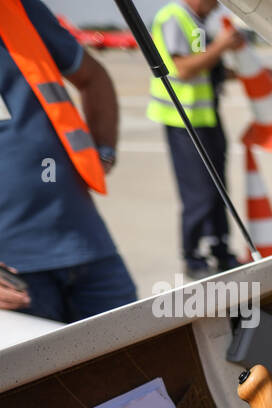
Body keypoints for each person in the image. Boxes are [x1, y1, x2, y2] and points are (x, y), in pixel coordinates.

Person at [0, 0, 135, 323]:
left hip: (85, 243)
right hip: (13, 274)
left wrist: (104, 153)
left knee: (139, 366)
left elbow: (93, 77)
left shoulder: (17, 9)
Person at [148, 1, 245, 279]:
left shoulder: (197, 22)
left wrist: (245, 74)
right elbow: (184, 68)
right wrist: (222, 46)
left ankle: (220, 248)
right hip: (184, 119)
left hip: (206, 118)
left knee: (217, 190)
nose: (217, 6)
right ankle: (193, 256)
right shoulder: (173, 18)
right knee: (199, 194)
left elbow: (207, 67)